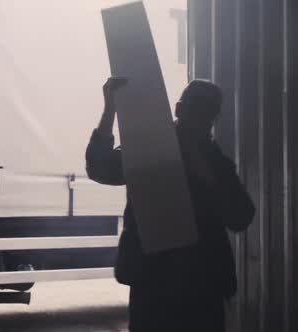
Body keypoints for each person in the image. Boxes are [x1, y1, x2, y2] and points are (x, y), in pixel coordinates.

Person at [85, 78, 255, 331]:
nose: (198, 120)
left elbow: (241, 217)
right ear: (178, 110)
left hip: (200, 284)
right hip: (155, 282)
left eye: (204, 113)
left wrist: (208, 178)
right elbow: (100, 168)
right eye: (193, 111)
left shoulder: (214, 162)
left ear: (212, 118)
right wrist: (110, 109)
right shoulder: (152, 148)